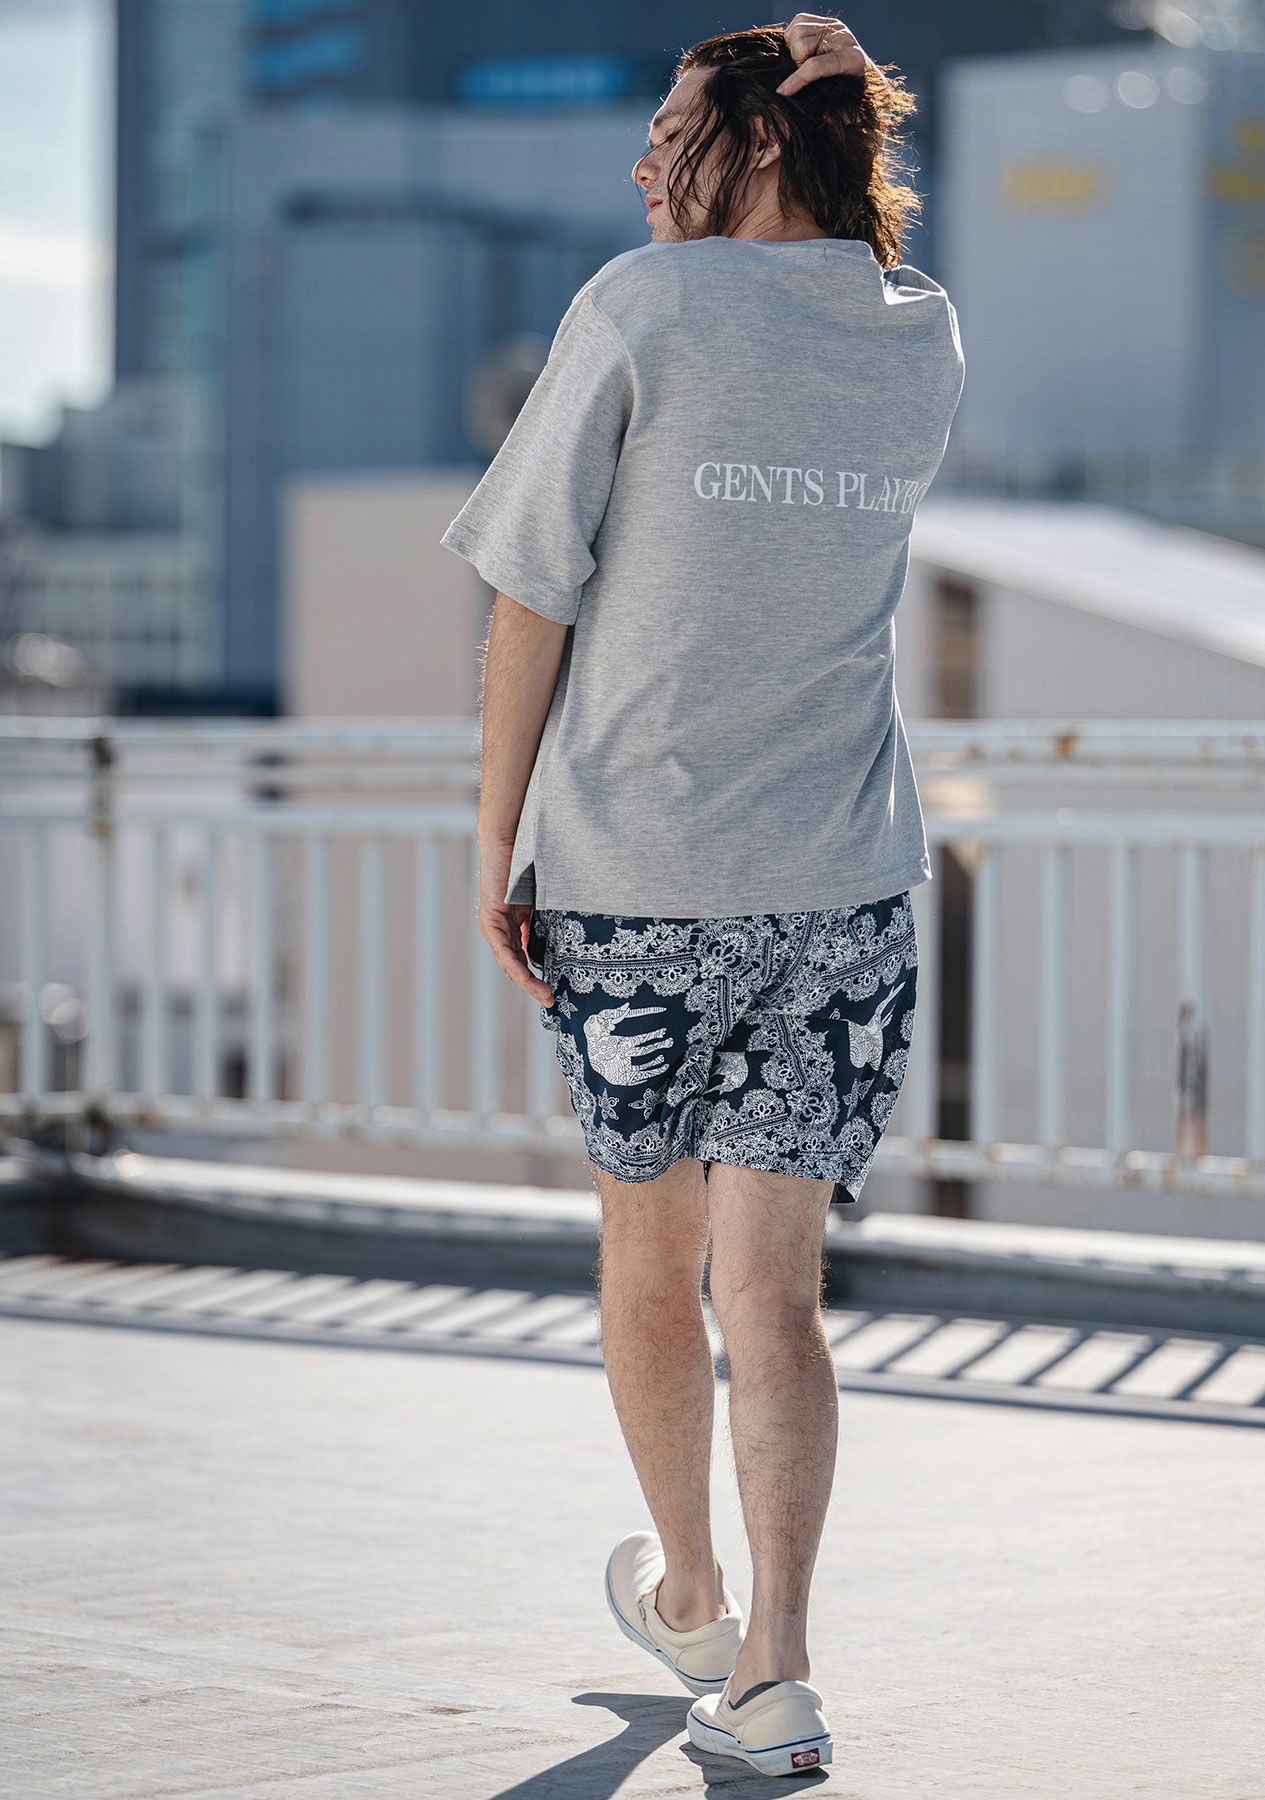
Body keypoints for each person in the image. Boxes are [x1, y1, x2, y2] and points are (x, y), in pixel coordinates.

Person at [439, 13, 964, 1779]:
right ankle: (777, 1677)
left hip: (640, 878)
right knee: (780, 1296)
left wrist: (496, 838)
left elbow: (534, 591)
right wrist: (833, 87)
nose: (643, 159)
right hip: (843, 885)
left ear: (754, 142)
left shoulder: (641, 309)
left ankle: (689, 1593)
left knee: (650, 1255)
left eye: (675, 127)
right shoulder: (916, 328)